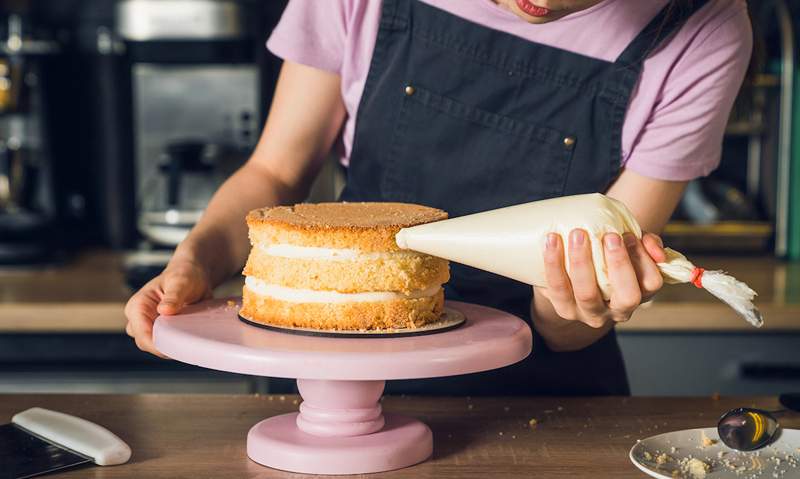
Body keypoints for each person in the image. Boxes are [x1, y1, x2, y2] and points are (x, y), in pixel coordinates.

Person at [125, 0, 751, 395]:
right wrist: (197, 259)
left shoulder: (702, 27)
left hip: (541, 394)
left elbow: (575, 320)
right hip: (336, 374)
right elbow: (274, 174)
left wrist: (574, 305)